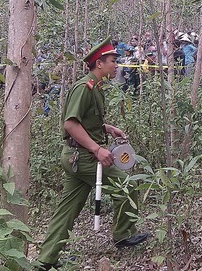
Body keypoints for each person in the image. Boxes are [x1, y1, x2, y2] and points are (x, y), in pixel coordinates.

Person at [36, 37, 148, 270]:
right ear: (99, 63)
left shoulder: (95, 87)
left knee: (67, 209)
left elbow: (86, 121)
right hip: (84, 157)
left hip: (77, 157)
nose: (116, 65)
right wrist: (97, 148)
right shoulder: (84, 88)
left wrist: (107, 128)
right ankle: (123, 234)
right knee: (126, 184)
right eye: (113, 61)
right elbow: (70, 125)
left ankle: (44, 260)